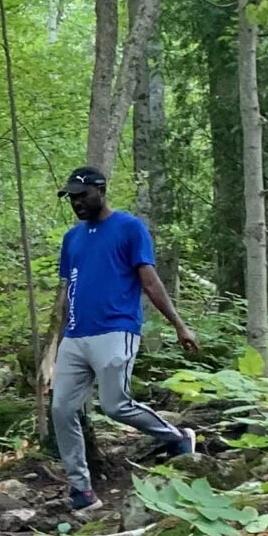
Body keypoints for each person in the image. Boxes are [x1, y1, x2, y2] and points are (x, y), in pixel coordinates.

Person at [49, 164, 201, 516]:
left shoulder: (129, 228)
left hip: (116, 329)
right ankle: (82, 489)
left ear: (101, 191)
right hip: (76, 335)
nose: (76, 203)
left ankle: (177, 437)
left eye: (82, 195)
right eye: (71, 198)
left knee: (115, 405)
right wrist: (58, 341)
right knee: (61, 409)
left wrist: (179, 325)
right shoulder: (72, 239)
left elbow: (150, 281)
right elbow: (69, 289)